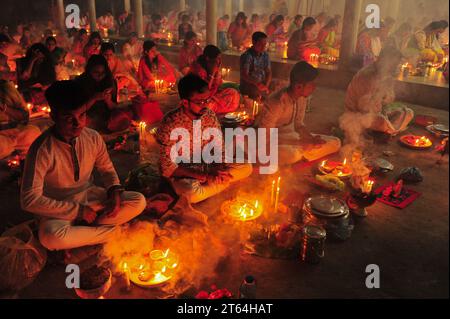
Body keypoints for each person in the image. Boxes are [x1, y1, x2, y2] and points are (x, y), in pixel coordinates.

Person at [20, 80, 145, 251]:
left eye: (82, 115)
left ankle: (87, 230)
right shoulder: (41, 149)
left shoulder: (92, 137)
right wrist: (78, 212)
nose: (78, 124)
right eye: (68, 118)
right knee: (51, 237)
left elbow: (107, 169)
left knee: (138, 201)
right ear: (54, 116)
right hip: (58, 208)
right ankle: (114, 233)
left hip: (90, 198)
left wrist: (114, 193)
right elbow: (29, 200)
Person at [156, 74, 252, 204]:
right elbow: (167, 168)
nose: (206, 105)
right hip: (186, 174)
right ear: (185, 102)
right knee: (191, 193)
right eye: (200, 102)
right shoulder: (169, 124)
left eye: (207, 100)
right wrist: (205, 176)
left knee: (246, 166)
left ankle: (215, 184)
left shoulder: (209, 115)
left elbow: (219, 148)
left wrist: (218, 169)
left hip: (208, 166)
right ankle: (219, 184)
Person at [256, 61, 341, 165]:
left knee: (336, 142)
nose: (314, 88)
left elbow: (298, 125)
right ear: (299, 87)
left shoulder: (302, 98)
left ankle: (303, 154)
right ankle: (302, 154)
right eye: (312, 85)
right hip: (269, 142)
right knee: (292, 154)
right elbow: (264, 139)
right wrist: (300, 143)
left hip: (292, 138)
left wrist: (311, 138)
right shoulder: (276, 102)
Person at [343, 47, 414, 136]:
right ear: (384, 61)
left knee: (408, 112)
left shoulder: (386, 74)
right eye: (394, 64)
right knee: (382, 122)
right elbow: (364, 108)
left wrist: (386, 109)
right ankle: (391, 129)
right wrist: (382, 113)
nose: (397, 67)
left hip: (377, 113)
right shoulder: (368, 76)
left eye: (397, 64)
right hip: (357, 116)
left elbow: (387, 100)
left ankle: (391, 129)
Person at [76, 55, 131, 133]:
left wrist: (108, 101)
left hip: (107, 118)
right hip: (87, 117)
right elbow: (77, 111)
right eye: (96, 72)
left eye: (103, 72)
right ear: (89, 71)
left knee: (125, 115)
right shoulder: (80, 82)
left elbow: (114, 107)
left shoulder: (110, 81)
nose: (100, 76)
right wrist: (93, 98)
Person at [189, 45, 240, 114]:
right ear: (208, 58)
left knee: (233, 93)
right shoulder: (198, 69)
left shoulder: (212, 66)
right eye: (218, 58)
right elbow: (203, 91)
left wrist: (217, 76)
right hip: (198, 99)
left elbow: (218, 85)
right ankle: (208, 111)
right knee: (206, 106)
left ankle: (212, 109)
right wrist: (212, 74)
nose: (219, 61)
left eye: (220, 58)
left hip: (211, 96)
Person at [0, 80, 41, 159]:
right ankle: (12, 146)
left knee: (33, 132)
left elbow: (24, 117)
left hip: (13, 131)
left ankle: (26, 166)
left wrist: (4, 108)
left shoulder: (6, 87)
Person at [240, 32, 272, 100]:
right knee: (255, 90)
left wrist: (266, 85)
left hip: (262, 84)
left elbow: (268, 72)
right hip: (250, 85)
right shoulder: (247, 56)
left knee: (278, 85)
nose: (263, 47)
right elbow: (244, 75)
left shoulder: (265, 55)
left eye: (265, 44)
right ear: (254, 42)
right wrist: (257, 84)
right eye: (260, 44)